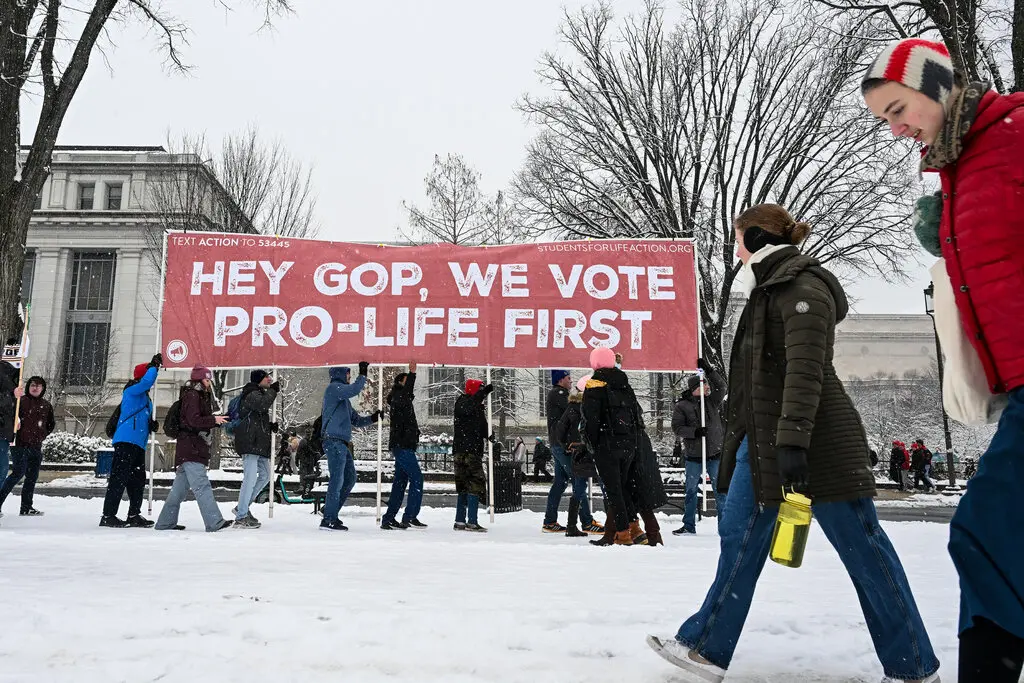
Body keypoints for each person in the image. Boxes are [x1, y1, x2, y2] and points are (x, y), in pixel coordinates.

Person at [647, 204, 938, 683]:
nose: (734, 251)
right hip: (762, 441)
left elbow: (805, 373)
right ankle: (705, 647)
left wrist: (793, 444)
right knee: (738, 538)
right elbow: (759, 378)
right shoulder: (767, 289)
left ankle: (913, 668)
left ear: (759, 238)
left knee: (863, 550)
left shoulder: (804, 286)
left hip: (816, 443)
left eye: (738, 240)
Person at [863, 40, 1024, 680]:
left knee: (985, 533)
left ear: (938, 86)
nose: (897, 127)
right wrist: (946, 238)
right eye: (885, 120)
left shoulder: (1013, 133)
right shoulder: (959, 168)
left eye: (900, 108)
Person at [155, 366, 232, 532]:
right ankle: (214, 522)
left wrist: (215, 419)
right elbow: (193, 421)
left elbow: (195, 420)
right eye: (206, 379)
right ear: (199, 380)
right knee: (202, 486)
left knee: (178, 491)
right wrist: (213, 420)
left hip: (189, 448)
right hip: (191, 448)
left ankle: (165, 522)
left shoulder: (196, 395)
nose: (209, 382)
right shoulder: (192, 395)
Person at [581, 347, 642, 546]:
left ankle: (623, 533)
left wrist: (592, 444)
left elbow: (591, 420)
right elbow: (636, 415)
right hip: (628, 443)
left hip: (606, 444)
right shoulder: (625, 384)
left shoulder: (594, 385)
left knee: (613, 490)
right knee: (623, 487)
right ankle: (635, 528)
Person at [101, 355, 161, 528]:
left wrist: (151, 424)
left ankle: (134, 514)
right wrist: (154, 367)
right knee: (118, 479)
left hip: (138, 443)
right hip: (126, 441)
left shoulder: (146, 399)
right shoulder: (132, 390)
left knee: (137, 480)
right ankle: (108, 515)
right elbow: (146, 382)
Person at [320, 362, 380, 532]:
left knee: (349, 478)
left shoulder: (343, 399)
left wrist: (373, 418)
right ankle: (328, 519)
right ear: (340, 373)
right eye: (348, 373)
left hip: (342, 443)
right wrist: (363, 373)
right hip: (333, 441)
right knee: (337, 480)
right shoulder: (333, 389)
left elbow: (356, 420)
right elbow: (355, 389)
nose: (349, 376)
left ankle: (330, 512)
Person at [543, 370, 603, 535]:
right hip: (564, 446)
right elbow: (573, 413)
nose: (571, 382)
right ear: (561, 380)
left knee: (560, 483)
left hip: (558, 445)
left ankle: (549, 521)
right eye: (568, 378)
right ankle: (586, 521)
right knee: (579, 481)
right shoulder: (560, 394)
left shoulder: (556, 394)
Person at [672, 373, 724, 536]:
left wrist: (707, 370)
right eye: (704, 384)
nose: (708, 387)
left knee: (720, 491)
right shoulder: (682, 406)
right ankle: (689, 524)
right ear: (695, 388)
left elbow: (721, 387)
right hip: (694, 456)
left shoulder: (711, 402)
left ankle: (724, 526)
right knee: (691, 491)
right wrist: (694, 432)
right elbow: (677, 428)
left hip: (714, 454)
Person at [231, 370, 281, 529]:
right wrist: (273, 390)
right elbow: (262, 405)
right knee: (250, 478)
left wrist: (269, 426)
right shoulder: (251, 392)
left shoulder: (258, 393)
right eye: (267, 377)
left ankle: (242, 508)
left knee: (266, 474)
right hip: (249, 442)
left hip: (257, 443)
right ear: (259, 380)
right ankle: (241, 516)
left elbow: (256, 418)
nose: (270, 379)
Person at [0, 376, 55, 516]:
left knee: (32, 476)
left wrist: (40, 436)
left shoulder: (46, 405)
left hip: (36, 445)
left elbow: (50, 424)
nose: (35, 388)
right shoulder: (20, 402)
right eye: (32, 385)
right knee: (18, 473)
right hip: (19, 444)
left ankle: (26, 507)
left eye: (38, 386)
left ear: (43, 389)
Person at [382, 363, 426, 531]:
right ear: (401, 382)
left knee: (400, 483)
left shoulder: (400, 398)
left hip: (402, 445)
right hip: (403, 445)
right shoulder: (400, 395)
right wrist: (412, 373)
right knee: (417, 478)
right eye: (406, 381)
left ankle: (389, 518)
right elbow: (408, 391)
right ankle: (409, 516)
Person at [452, 378, 493, 532]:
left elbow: (482, 427)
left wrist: (489, 434)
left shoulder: (475, 406)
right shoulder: (464, 402)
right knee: (474, 484)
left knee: (464, 486)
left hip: (464, 450)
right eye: (479, 389)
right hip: (469, 452)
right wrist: (482, 394)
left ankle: (461, 520)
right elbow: (467, 409)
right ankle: (471, 521)